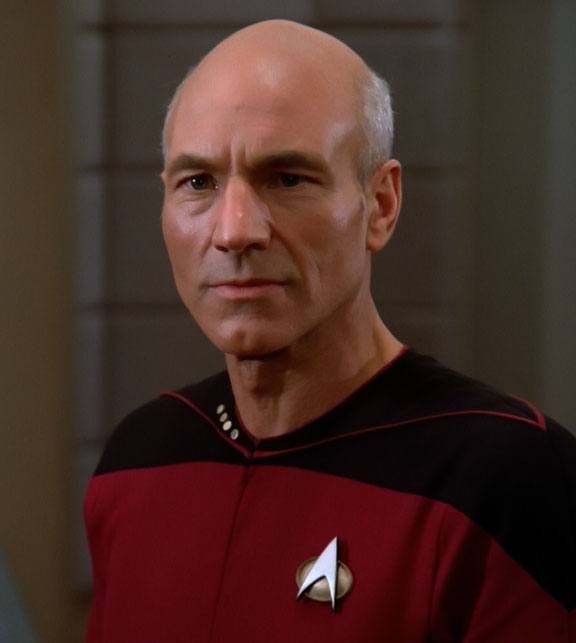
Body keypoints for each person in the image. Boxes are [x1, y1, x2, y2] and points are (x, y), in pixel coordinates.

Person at [84, 19, 576, 642]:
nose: (235, 231)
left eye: (287, 179)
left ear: (381, 205)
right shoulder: (137, 463)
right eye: (198, 183)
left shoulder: (504, 476)